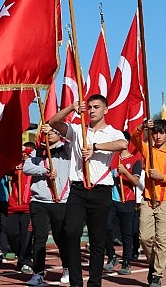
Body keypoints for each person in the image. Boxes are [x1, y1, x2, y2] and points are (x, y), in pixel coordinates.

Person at [48, 94, 128, 287]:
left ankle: (94, 283)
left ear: (105, 110)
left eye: (96, 107)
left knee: (97, 240)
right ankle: (76, 283)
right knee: (71, 232)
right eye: (89, 107)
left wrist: (95, 147)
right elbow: (53, 121)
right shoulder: (77, 130)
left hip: (101, 191)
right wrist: (71, 107)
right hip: (78, 190)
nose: (92, 110)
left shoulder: (112, 132)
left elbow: (123, 144)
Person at [131, 119, 166, 287]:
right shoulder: (148, 150)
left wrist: (161, 177)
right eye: (155, 132)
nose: (158, 136)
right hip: (148, 200)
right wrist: (143, 127)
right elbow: (134, 137)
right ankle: (153, 265)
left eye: (161, 133)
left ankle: (157, 274)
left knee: (162, 240)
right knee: (144, 237)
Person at [23, 124, 71, 286]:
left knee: (61, 238)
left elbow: (73, 141)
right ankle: (37, 273)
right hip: (39, 202)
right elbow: (26, 167)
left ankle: (67, 268)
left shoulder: (66, 150)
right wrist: (44, 171)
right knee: (39, 238)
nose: (50, 134)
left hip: (60, 201)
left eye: (54, 131)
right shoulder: (37, 151)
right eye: (48, 131)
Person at [104, 131, 142, 275]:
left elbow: (136, 182)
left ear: (126, 142)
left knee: (127, 233)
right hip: (112, 200)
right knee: (107, 228)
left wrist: (125, 172)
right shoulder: (113, 158)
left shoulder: (135, 160)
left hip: (127, 200)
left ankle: (126, 262)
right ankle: (112, 256)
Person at [0, 144, 34, 275]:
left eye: (26, 152)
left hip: (28, 207)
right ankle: (22, 256)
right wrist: (14, 165)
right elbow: (2, 169)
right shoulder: (14, 166)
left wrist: (26, 162)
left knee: (26, 237)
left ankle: (26, 261)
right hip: (13, 206)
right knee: (11, 233)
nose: (23, 154)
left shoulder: (34, 165)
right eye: (22, 152)